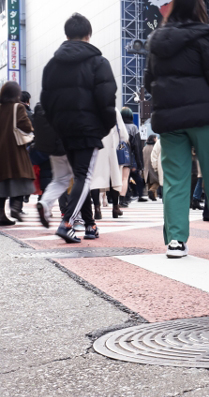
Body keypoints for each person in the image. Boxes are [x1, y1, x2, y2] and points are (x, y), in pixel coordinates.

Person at [145, 0, 209, 258]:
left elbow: (147, 81)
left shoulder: (157, 40)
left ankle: (176, 241)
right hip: (204, 117)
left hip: (170, 120)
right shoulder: (206, 36)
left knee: (175, 179)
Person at [41, 13, 117, 243]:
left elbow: (46, 102)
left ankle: (89, 225)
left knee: (79, 177)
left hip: (64, 129)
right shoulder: (99, 62)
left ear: (67, 35)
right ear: (88, 35)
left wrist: (58, 124)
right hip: (89, 128)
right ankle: (67, 223)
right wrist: (104, 127)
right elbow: (107, 98)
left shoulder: (52, 65)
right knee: (84, 177)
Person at [0, 82, 35, 226]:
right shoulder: (18, 107)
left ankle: (1, 214)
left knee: (2, 182)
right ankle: (16, 206)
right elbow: (25, 125)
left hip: (1, 151)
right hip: (15, 149)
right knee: (23, 176)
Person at [34, 103, 71, 228]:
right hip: (71, 145)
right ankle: (76, 217)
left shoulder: (49, 99)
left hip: (54, 147)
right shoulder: (70, 99)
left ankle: (45, 203)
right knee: (81, 179)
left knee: (59, 180)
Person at [90, 109, 128, 219]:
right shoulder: (114, 110)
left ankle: (97, 209)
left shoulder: (91, 109)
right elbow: (123, 134)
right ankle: (115, 208)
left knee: (95, 179)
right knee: (114, 179)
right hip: (112, 150)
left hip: (96, 148)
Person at [143, 134, 160, 201]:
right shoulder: (154, 147)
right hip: (153, 166)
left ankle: (153, 196)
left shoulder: (145, 148)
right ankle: (152, 191)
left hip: (146, 167)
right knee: (157, 181)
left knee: (149, 182)